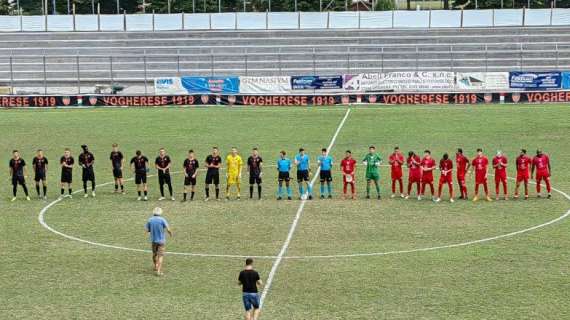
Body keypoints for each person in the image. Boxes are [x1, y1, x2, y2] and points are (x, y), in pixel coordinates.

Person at [145, 207, 172, 276]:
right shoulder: (162, 219)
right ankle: (159, 271)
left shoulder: (150, 220)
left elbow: (147, 230)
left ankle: (155, 266)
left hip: (153, 240)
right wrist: (170, 233)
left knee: (154, 254)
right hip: (161, 241)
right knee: (160, 256)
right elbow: (168, 229)